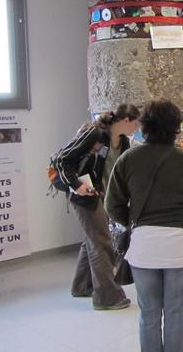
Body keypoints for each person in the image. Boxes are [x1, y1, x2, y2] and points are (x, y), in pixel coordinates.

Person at [105, 99, 183, 352]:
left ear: (144, 125)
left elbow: (112, 205)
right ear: (176, 127)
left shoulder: (128, 159)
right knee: (175, 314)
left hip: (144, 246)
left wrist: (135, 222)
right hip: (180, 244)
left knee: (148, 315)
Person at [55, 103, 140, 310]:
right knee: (101, 241)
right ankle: (107, 296)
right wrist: (77, 185)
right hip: (84, 195)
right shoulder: (95, 134)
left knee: (93, 238)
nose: (137, 128)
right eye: (135, 124)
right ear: (126, 120)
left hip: (102, 195)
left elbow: (119, 172)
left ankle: (83, 285)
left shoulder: (123, 142)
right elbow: (62, 159)